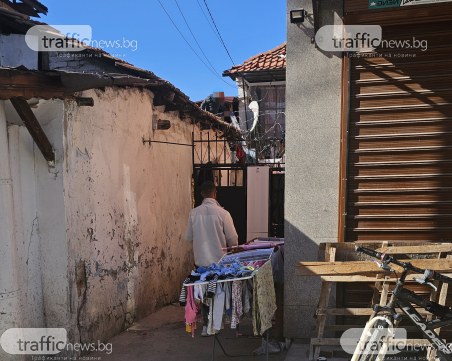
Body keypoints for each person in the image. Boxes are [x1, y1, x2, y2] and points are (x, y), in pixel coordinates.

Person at [185, 180, 238, 336]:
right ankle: (219, 322)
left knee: (204, 292)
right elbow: (233, 238)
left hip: (201, 262)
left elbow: (188, 237)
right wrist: (232, 251)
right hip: (219, 262)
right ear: (215, 193)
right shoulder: (223, 213)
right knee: (219, 292)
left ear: (202, 194)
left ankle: (207, 326)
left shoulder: (193, 213)